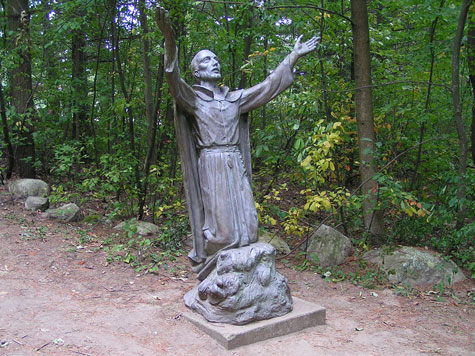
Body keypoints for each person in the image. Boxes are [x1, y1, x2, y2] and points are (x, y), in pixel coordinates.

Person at [155, 6, 318, 280]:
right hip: (212, 163)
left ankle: (246, 273)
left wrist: (292, 57)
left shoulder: (234, 98)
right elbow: (174, 79)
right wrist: (169, 41)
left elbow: (267, 87)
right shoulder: (194, 99)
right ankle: (220, 271)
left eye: (216, 59)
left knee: (249, 226)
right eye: (207, 60)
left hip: (235, 162)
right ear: (196, 72)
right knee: (223, 231)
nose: (215, 62)